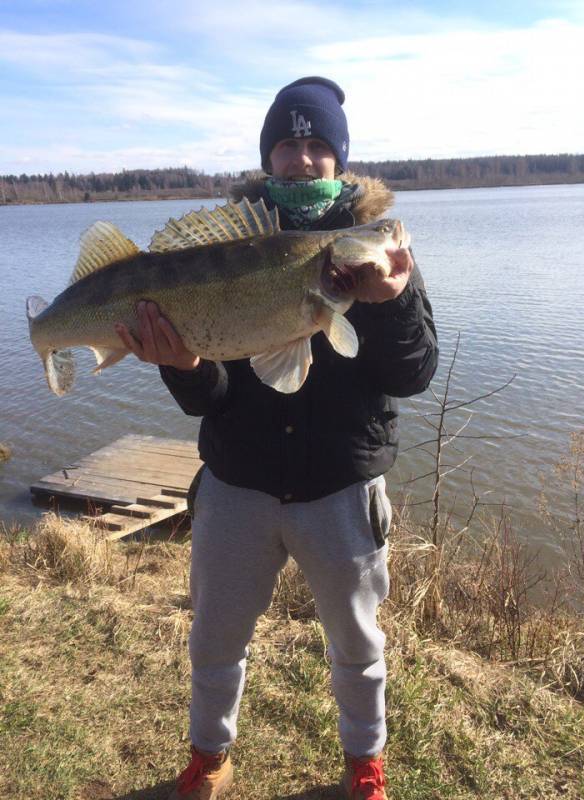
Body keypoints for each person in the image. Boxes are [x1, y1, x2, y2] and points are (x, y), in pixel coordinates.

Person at [116, 76, 438, 800]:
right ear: (269, 157)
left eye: (317, 144)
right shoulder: (231, 245)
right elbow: (211, 399)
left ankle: (365, 767)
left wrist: (391, 302)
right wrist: (184, 365)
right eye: (288, 144)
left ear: (339, 159)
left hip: (341, 487)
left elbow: (414, 373)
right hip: (239, 481)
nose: (302, 158)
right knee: (214, 638)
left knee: (357, 646)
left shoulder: (378, 252)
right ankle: (209, 758)